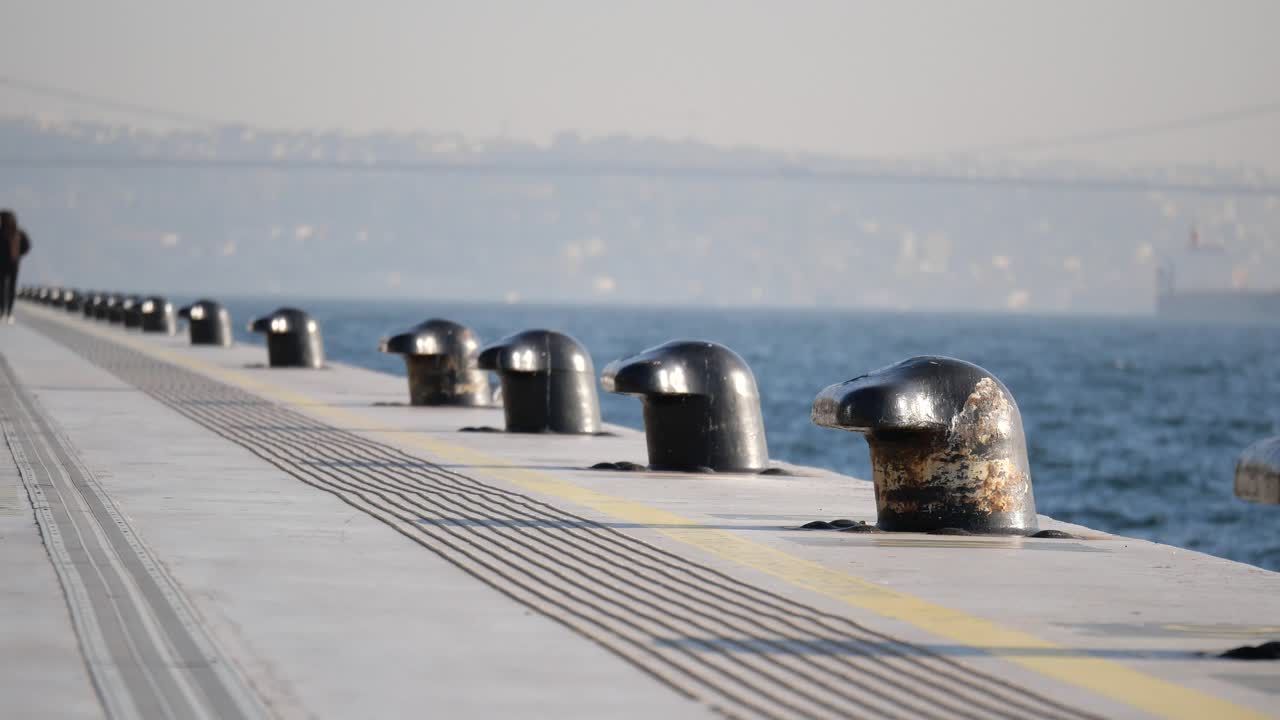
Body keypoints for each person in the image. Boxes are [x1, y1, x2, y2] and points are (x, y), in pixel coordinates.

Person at [0, 210, 31, 323]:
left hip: (11, 265)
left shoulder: (18, 234)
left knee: (9, 289)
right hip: (6, 265)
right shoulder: (5, 233)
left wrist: (18, 255)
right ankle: (4, 312)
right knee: (3, 288)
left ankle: (7, 312)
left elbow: (27, 246)